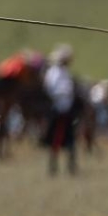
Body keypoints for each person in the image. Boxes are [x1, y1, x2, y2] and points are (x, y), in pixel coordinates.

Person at [42, 43, 78, 176]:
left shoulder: (64, 72)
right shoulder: (53, 72)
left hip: (67, 110)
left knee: (70, 140)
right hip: (58, 110)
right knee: (56, 140)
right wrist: (63, 93)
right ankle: (53, 167)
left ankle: (71, 166)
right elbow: (50, 89)